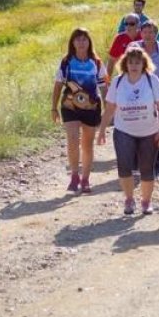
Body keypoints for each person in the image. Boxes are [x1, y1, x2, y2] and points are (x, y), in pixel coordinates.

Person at [97, 46, 159, 215]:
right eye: (131, 62)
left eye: (138, 62)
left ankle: (146, 202)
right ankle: (129, 199)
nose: (134, 65)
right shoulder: (118, 82)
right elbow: (110, 107)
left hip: (149, 131)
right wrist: (102, 130)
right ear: (125, 64)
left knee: (147, 168)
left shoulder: (151, 80)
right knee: (124, 166)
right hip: (124, 130)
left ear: (144, 64)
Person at [52, 29, 107, 194]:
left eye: (84, 39)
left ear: (89, 42)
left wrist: (107, 110)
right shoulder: (66, 61)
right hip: (70, 106)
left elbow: (104, 87)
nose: (81, 43)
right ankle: (74, 175)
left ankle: (85, 179)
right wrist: (53, 107)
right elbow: (58, 84)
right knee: (73, 139)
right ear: (73, 43)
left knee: (87, 145)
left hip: (91, 108)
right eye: (78, 40)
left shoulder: (97, 63)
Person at [132, 20, 159, 176]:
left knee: (158, 128)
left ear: (156, 33)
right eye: (145, 32)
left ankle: (158, 163)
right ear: (141, 33)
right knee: (137, 128)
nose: (148, 35)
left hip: (158, 95)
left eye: (151, 32)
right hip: (136, 96)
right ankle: (137, 164)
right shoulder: (134, 48)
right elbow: (126, 69)